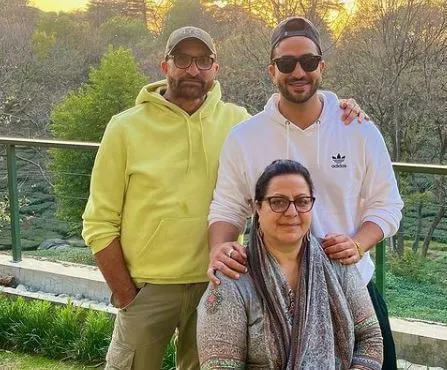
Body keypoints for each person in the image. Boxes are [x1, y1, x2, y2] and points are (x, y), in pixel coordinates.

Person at [82, 25, 366, 369]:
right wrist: (126, 294)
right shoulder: (124, 128)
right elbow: (99, 222)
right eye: (182, 59)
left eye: (203, 60)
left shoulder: (238, 123)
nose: (193, 69)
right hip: (149, 289)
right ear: (165, 66)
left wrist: (340, 109)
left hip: (218, 284)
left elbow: (292, 133)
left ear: (216, 69)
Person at [208, 17, 404, 370]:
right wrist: (219, 249)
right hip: (271, 298)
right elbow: (226, 208)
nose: (298, 71)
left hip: (351, 286)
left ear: (321, 66)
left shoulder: (358, 129)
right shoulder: (244, 138)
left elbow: (387, 205)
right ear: (272, 71)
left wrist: (358, 243)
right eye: (287, 63)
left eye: (308, 62)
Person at [198, 159, 383, 369]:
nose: (292, 212)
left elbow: (370, 339)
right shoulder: (233, 277)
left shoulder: (336, 261)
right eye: (278, 201)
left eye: (302, 201)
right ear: (258, 207)